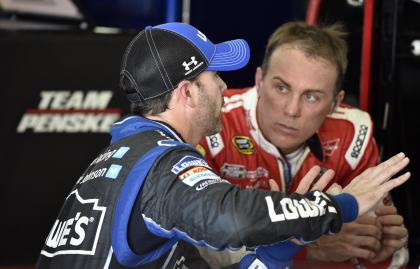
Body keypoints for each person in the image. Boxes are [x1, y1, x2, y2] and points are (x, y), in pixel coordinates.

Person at [35, 22, 410, 269]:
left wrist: (291, 239)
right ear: (188, 92)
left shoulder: (131, 153)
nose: (225, 87)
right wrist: (336, 207)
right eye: (215, 76)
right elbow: (230, 219)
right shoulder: (161, 162)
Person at [197, 21, 409, 268]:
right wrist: (308, 246)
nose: (291, 110)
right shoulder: (213, 124)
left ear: (334, 102)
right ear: (259, 80)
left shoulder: (354, 132)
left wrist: (378, 250)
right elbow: (197, 243)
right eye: (281, 87)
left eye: (311, 97)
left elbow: (389, 248)